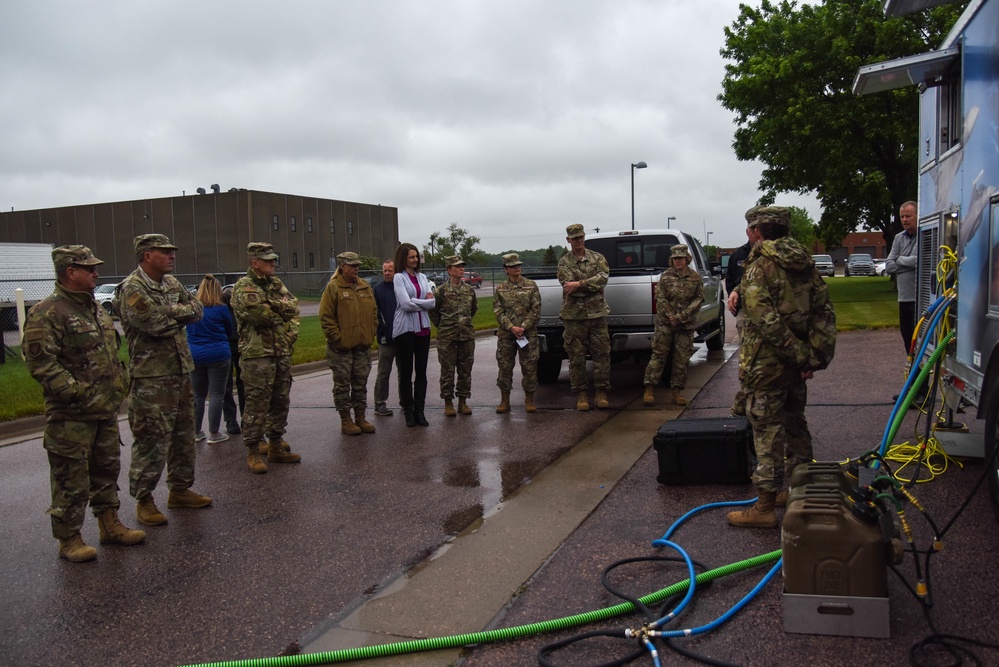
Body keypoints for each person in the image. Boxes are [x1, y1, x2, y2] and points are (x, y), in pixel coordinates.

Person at [22, 245, 145, 562]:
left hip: (104, 410)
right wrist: (78, 392)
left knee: (106, 472)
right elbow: (41, 365)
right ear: (69, 272)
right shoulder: (47, 313)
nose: (96, 273)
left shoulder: (94, 308)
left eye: (95, 267)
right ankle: (70, 539)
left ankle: (110, 526)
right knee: (70, 481)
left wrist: (119, 384)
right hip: (71, 417)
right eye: (88, 268)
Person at [725, 206, 836, 529]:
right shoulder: (805, 263)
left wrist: (797, 355)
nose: (748, 235)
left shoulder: (761, 266)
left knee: (767, 431)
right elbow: (823, 313)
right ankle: (799, 489)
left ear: (758, 231)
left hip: (766, 364)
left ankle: (763, 507)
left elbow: (764, 319)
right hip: (795, 366)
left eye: (750, 229)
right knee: (794, 422)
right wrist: (811, 356)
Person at [117, 234, 212, 527]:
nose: (172, 256)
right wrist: (175, 314)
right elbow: (152, 324)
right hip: (151, 378)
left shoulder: (172, 284)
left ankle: (180, 489)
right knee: (152, 440)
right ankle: (144, 500)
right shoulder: (132, 287)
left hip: (181, 372)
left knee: (184, 437)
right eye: (164, 252)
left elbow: (198, 310)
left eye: (172, 251)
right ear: (147, 255)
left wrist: (169, 312)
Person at [231, 242, 303, 473]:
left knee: (280, 401)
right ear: (255, 263)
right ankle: (253, 451)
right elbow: (258, 315)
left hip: (280, 351)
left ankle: (275, 446)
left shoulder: (275, 283)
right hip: (257, 355)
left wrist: (273, 305)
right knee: (256, 404)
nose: (273, 264)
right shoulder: (245, 286)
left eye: (273, 259)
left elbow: (293, 306)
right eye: (269, 260)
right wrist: (277, 306)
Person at [320, 251, 378, 435]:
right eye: (352, 266)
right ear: (342, 266)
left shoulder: (364, 287)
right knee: (343, 385)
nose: (356, 269)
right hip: (341, 349)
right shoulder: (334, 287)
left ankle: (360, 417)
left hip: (362, 346)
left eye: (357, 266)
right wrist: (337, 338)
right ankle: (346, 420)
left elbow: (374, 312)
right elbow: (326, 316)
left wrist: (372, 331)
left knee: (360, 384)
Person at [557, 223, 611, 411]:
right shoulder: (564, 262)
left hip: (597, 315)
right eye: (575, 238)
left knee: (601, 355)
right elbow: (567, 286)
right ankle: (581, 395)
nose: (579, 240)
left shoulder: (597, 258)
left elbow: (603, 278)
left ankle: (601, 392)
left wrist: (579, 284)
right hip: (574, 317)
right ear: (568, 240)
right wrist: (590, 285)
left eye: (581, 237)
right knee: (576, 357)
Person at [643, 244, 704, 406]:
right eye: (675, 258)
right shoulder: (665, 277)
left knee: (681, 359)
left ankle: (677, 391)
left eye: (681, 258)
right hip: (666, 324)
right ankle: (649, 388)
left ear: (686, 259)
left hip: (685, 325)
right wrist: (672, 316)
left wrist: (682, 316)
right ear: (672, 260)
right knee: (659, 356)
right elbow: (660, 298)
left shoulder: (694, 277)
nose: (678, 261)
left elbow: (698, 299)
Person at [186, 274, 236, 444]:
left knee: (198, 395)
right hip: (218, 353)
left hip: (195, 353)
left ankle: (195, 431)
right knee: (216, 394)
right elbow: (230, 330)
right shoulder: (221, 309)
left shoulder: (193, 309)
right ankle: (214, 433)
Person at [392, 242, 436, 427]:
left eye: (416, 256)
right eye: (411, 257)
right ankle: (408, 411)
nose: (415, 260)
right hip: (405, 330)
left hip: (423, 329)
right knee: (406, 371)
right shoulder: (399, 278)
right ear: (404, 258)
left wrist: (419, 302)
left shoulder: (423, 277)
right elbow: (405, 304)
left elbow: (433, 303)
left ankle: (420, 410)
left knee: (421, 372)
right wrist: (423, 302)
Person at [493, 252, 542, 413]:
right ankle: (504, 401)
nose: (517, 268)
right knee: (505, 367)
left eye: (518, 265)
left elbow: (536, 309)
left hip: (527, 334)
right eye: (513, 266)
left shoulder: (531, 285)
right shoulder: (500, 289)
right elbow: (498, 311)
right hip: (507, 335)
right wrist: (511, 327)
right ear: (505, 269)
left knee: (529, 367)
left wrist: (524, 326)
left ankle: (529, 400)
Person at [431, 256, 478, 417]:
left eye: (462, 266)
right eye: (457, 267)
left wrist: (463, 323)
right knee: (447, 371)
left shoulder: (469, 290)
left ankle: (463, 401)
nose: (461, 269)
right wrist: (445, 326)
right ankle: (448, 402)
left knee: (465, 370)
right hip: (447, 338)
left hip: (466, 336)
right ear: (449, 270)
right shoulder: (441, 291)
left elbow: (473, 309)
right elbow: (433, 312)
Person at [726, 224, 756, 416]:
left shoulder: (771, 255)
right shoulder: (738, 255)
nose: (753, 233)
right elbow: (731, 281)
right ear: (747, 232)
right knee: (747, 357)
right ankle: (745, 401)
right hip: (745, 312)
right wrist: (734, 300)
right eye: (750, 229)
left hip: (768, 312)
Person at [886, 201, 918, 354]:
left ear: (917, 216)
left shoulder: (925, 235)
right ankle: (913, 377)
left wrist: (900, 259)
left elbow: (922, 260)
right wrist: (909, 262)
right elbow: (889, 266)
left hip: (919, 300)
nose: (905, 220)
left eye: (908, 216)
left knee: (920, 341)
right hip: (903, 299)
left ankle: (922, 377)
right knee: (907, 341)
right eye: (902, 217)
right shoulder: (899, 238)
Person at [372, 259, 397, 417]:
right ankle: (379, 403)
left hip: (402, 338)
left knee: (404, 372)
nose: (387, 273)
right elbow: (374, 313)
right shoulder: (377, 290)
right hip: (385, 339)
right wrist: (380, 329)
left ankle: (406, 401)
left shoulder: (401, 288)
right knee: (383, 372)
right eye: (385, 271)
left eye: (390, 270)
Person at [221, 284, 244, 434]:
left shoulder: (241, 309)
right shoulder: (222, 310)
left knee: (243, 383)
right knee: (226, 385)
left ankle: (245, 417)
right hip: (227, 346)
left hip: (241, 346)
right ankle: (230, 420)